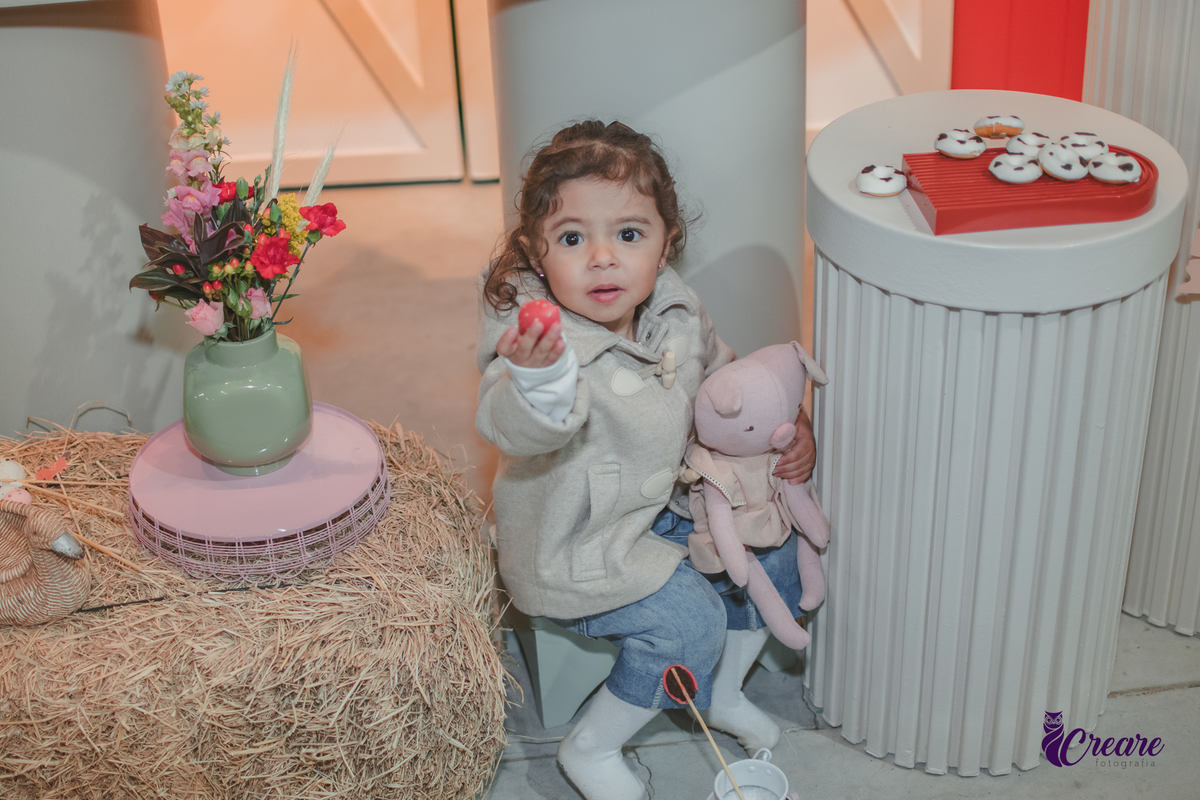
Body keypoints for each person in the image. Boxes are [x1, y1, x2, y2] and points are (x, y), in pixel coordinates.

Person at [476, 120, 816, 800]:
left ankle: (721, 693)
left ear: (665, 247)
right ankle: (593, 746)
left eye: (628, 235)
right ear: (540, 258)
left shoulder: (675, 308)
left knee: (773, 546)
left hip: (670, 506)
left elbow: (720, 383)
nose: (603, 258)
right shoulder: (538, 341)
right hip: (582, 542)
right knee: (690, 621)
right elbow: (510, 423)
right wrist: (539, 382)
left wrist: (784, 424)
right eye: (574, 239)